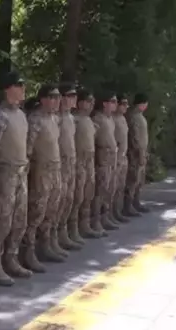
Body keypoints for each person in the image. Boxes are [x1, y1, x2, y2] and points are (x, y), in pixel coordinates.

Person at [0, 70, 32, 286]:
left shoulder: (21, 115)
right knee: (2, 220)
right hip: (5, 173)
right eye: (18, 85)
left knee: (19, 219)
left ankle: (11, 257)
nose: (23, 90)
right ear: (7, 89)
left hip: (21, 172)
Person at [21, 83, 68, 273]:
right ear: (43, 99)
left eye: (58, 97)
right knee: (36, 211)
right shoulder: (35, 120)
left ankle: (46, 245)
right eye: (52, 97)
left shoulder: (54, 119)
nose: (56, 101)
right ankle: (28, 251)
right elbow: (28, 149)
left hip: (55, 169)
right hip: (41, 170)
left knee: (52, 208)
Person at [72, 88, 101, 239]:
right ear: (80, 102)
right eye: (89, 101)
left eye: (93, 102)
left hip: (89, 161)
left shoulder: (89, 120)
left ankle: (85, 225)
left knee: (88, 195)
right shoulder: (74, 119)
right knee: (77, 196)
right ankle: (73, 228)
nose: (91, 104)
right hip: (78, 162)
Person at [56, 82, 82, 250]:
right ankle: (51, 239)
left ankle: (64, 233)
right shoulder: (56, 118)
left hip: (71, 163)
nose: (74, 99)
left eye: (75, 96)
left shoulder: (71, 118)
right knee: (56, 203)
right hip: (58, 165)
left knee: (69, 200)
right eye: (71, 96)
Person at [91, 92, 119, 233]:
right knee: (100, 192)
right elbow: (93, 139)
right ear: (105, 103)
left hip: (111, 160)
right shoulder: (98, 119)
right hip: (102, 159)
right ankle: (95, 221)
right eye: (113, 101)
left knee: (109, 190)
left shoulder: (110, 119)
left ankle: (105, 217)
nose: (115, 104)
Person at [124, 93, 150, 216]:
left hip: (141, 152)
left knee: (139, 180)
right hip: (135, 153)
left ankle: (136, 202)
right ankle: (128, 206)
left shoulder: (139, 116)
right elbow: (135, 137)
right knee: (133, 179)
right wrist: (139, 152)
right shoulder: (134, 117)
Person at [111, 94, 130, 223]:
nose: (125, 107)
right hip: (114, 158)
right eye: (122, 104)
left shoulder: (123, 119)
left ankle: (116, 211)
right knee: (111, 188)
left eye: (126, 104)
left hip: (123, 157)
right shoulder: (112, 119)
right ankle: (109, 213)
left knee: (120, 187)